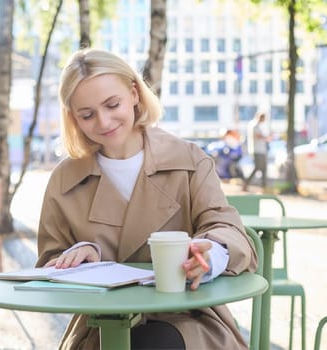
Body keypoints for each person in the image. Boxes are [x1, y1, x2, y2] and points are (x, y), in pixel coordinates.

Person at [36, 48, 258, 350]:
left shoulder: (189, 159)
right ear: (73, 118)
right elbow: (47, 265)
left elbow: (228, 229)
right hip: (102, 326)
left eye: (112, 104)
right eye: (87, 115)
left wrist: (211, 254)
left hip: (190, 318)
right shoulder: (64, 180)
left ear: (135, 94)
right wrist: (79, 255)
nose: (103, 121)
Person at [242, 111, 269, 192]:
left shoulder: (259, 126)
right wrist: (266, 137)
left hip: (262, 150)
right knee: (258, 167)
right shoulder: (253, 125)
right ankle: (246, 183)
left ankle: (264, 186)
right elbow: (257, 136)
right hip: (257, 150)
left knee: (264, 168)